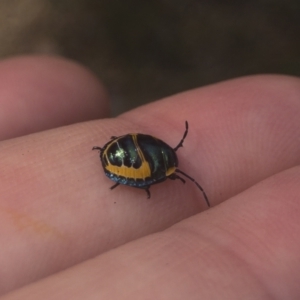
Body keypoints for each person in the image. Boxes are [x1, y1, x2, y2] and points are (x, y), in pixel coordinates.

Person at [1, 55, 300, 299]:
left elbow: (141, 143)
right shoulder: (165, 169)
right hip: (125, 154)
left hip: (122, 149)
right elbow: (149, 168)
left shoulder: (164, 158)